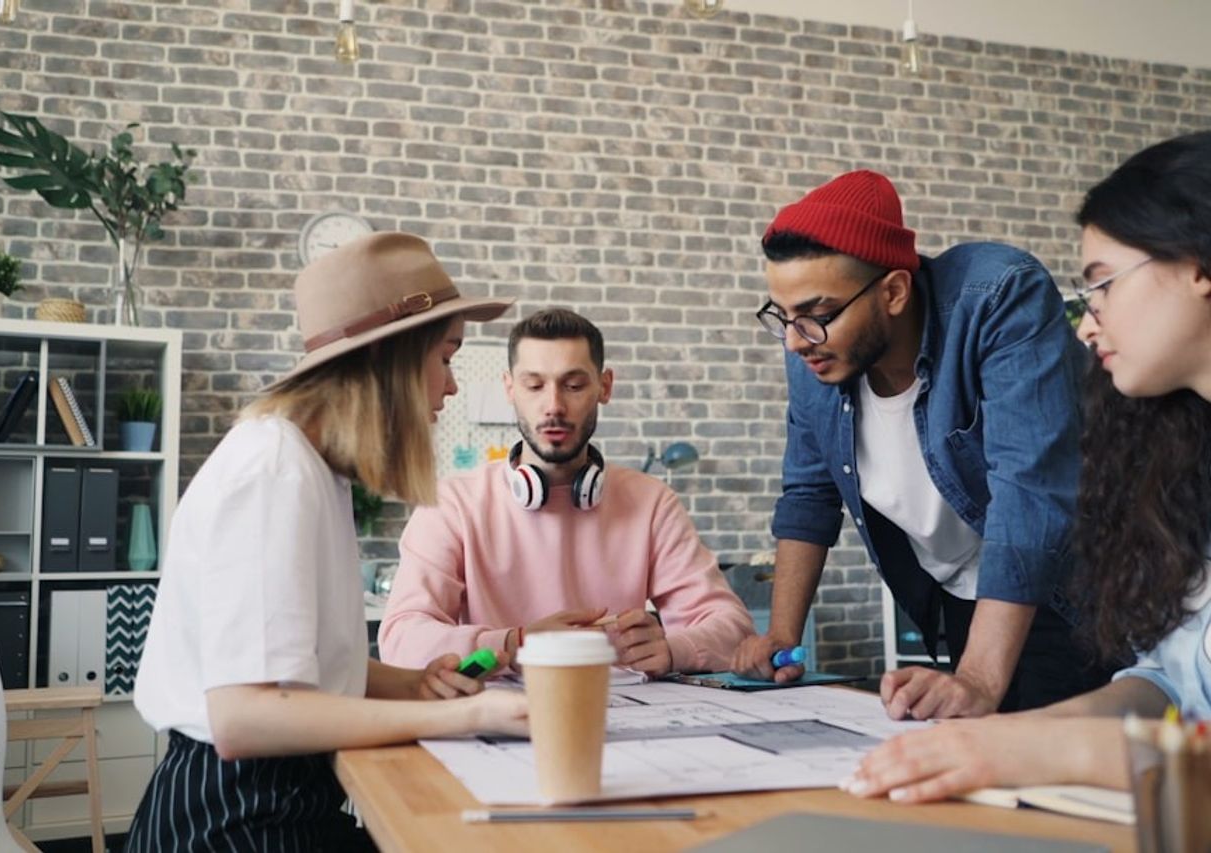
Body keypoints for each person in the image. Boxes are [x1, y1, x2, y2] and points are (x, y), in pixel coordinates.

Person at [125, 233, 528, 851]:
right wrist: (464, 715)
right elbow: (246, 716)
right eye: (446, 358)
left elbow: (296, 666)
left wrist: (414, 684)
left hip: (276, 800)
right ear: (389, 359)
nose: (450, 387)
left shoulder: (309, 466)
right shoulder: (274, 473)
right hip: (234, 816)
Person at [844, 131, 1211, 801]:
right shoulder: (1182, 470)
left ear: (1199, 267)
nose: (1087, 324)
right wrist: (998, 734)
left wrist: (1037, 747)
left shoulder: (995, 294)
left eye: (1103, 285)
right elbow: (1169, 683)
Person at [732, 169, 1109, 716]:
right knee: (972, 749)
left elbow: (1029, 492)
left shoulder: (997, 297)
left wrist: (977, 676)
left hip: (1074, 587)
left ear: (893, 291)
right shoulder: (816, 355)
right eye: (783, 317)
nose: (795, 341)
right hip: (963, 599)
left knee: (1056, 756)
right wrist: (781, 638)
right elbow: (809, 493)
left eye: (816, 315)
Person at [378, 308, 755, 677]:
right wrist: (514, 644)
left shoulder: (652, 502)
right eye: (534, 385)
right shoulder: (451, 504)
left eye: (573, 386)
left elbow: (734, 627)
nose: (554, 406)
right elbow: (401, 640)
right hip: (497, 711)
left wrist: (673, 649)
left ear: (604, 387)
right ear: (510, 388)